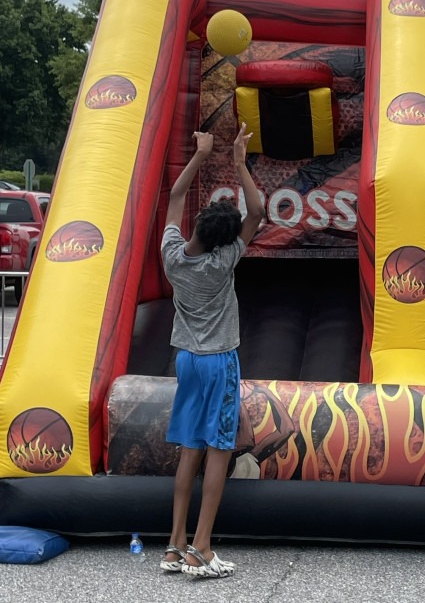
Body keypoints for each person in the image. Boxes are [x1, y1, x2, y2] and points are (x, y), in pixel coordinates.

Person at [159, 122, 264, 579]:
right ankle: (202, 548)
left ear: (197, 228)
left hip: (185, 359)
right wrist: (239, 162)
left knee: (190, 450)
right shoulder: (223, 262)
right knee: (218, 450)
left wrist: (201, 154)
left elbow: (175, 196)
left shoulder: (172, 255)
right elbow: (257, 211)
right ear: (225, 243)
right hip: (218, 361)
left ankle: (175, 544)